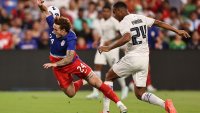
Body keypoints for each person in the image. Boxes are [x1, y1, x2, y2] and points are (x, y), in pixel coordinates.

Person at [98, 1, 190, 113]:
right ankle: (165, 104)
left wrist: (109, 47)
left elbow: (127, 37)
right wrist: (177, 31)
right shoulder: (141, 17)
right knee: (140, 93)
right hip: (144, 60)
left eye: (115, 12)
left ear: (120, 10)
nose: (114, 15)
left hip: (133, 57)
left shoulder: (124, 22)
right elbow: (158, 22)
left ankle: (106, 111)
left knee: (109, 76)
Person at [36, 0, 127, 113]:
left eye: (55, 29)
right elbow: (45, 11)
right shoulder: (54, 24)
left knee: (97, 83)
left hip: (72, 62)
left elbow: (69, 58)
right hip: (59, 66)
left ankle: (120, 104)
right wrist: (40, 5)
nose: (53, 31)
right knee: (70, 94)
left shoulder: (71, 37)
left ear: (63, 31)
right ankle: (83, 81)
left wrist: (54, 64)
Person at [86, 4, 129, 100]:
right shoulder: (101, 21)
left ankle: (124, 87)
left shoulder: (114, 21)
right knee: (97, 65)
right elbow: (103, 34)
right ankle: (95, 92)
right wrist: (97, 41)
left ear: (110, 12)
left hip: (112, 47)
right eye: (103, 11)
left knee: (115, 69)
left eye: (107, 11)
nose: (105, 13)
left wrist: (110, 41)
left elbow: (121, 35)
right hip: (102, 46)